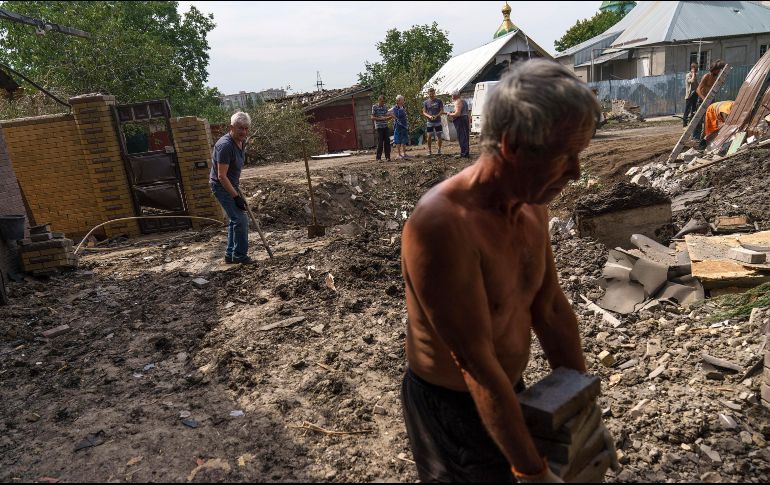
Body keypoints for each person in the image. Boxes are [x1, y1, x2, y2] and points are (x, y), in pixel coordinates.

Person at [400, 59, 615, 483]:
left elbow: (550, 311)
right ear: (513, 145)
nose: (576, 172)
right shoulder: (442, 226)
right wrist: (531, 473)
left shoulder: (531, 205)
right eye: (564, 156)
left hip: (506, 387)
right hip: (453, 408)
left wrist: (583, 414)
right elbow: (475, 362)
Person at [210, 111, 255, 265]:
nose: (244, 132)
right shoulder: (225, 146)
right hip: (221, 186)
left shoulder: (241, 142)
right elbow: (222, 176)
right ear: (231, 127)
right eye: (240, 128)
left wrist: (236, 189)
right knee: (241, 219)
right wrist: (236, 197)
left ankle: (230, 254)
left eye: (246, 128)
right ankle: (239, 256)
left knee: (235, 220)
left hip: (231, 184)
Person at [694, 60, 726, 142]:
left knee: (708, 119)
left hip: (711, 100)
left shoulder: (716, 78)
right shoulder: (706, 76)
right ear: (714, 69)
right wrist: (703, 98)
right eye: (718, 69)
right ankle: (695, 137)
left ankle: (704, 137)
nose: (719, 71)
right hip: (702, 100)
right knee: (699, 119)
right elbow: (698, 89)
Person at [448, 90, 471, 158]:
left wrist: (450, 114)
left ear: (455, 96)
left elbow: (457, 114)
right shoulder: (463, 101)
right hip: (464, 118)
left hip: (461, 119)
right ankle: (465, 152)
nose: (451, 97)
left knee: (462, 136)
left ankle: (464, 153)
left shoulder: (458, 101)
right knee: (465, 136)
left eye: (452, 95)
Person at [422, 88, 444, 155]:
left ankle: (439, 150)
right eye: (430, 94)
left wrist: (437, 116)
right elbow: (424, 112)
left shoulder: (439, 101)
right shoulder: (425, 102)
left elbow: (442, 110)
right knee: (429, 136)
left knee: (439, 136)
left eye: (433, 94)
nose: (431, 95)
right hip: (429, 121)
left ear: (434, 93)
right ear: (428, 94)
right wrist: (429, 116)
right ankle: (429, 151)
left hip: (438, 121)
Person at [371, 95, 393, 162]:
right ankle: (378, 158)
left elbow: (386, 115)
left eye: (384, 101)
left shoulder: (385, 107)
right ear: (379, 100)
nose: (383, 103)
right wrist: (381, 119)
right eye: (382, 101)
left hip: (385, 126)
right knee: (380, 143)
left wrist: (390, 117)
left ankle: (388, 157)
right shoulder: (374, 107)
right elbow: (372, 117)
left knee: (387, 142)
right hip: (379, 127)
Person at [391, 94, 410, 160]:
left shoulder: (404, 107)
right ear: (398, 100)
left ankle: (404, 153)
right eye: (402, 100)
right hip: (398, 126)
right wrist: (394, 117)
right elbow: (388, 112)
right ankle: (399, 154)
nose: (403, 101)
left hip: (404, 126)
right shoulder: (394, 108)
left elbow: (406, 116)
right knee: (398, 140)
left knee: (404, 139)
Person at [683, 63, 699, 127]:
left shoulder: (695, 75)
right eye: (696, 68)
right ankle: (684, 124)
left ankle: (691, 123)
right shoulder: (688, 75)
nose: (697, 70)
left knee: (694, 109)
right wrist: (693, 74)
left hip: (695, 94)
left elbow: (696, 84)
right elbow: (691, 81)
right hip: (689, 95)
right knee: (687, 109)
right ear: (692, 68)